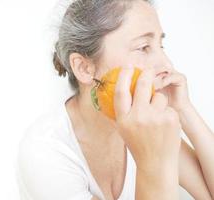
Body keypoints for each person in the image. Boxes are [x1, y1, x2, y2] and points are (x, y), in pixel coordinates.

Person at [16, 0, 214, 199]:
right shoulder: (44, 151)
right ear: (84, 68)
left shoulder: (146, 122)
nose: (167, 65)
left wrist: (184, 110)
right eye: (144, 47)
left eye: (161, 46)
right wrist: (151, 162)